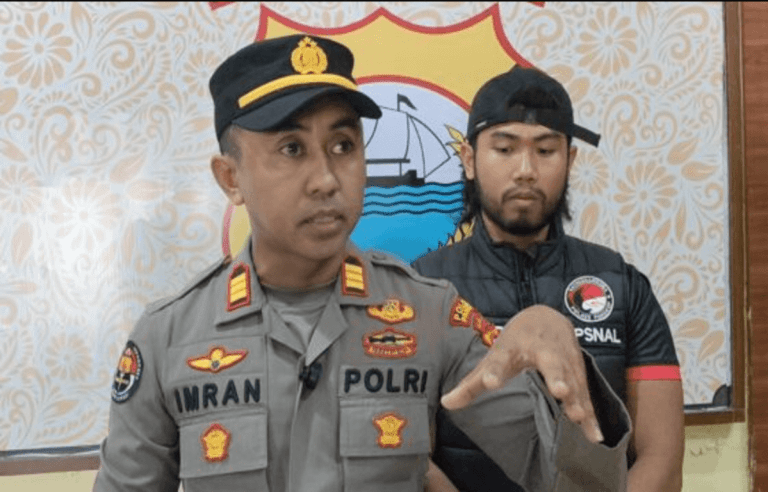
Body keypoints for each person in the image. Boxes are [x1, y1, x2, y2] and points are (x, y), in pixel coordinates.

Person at [93, 34, 631, 492]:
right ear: (230, 178)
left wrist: (563, 360)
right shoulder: (169, 338)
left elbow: (578, 480)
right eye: (292, 149)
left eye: (344, 145)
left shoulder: (429, 315)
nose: (327, 179)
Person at [413, 65, 684, 492]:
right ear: (469, 160)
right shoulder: (422, 289)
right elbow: (409, 456)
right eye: (504, 149)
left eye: (545, 150)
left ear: (570, 160)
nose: (525, 170)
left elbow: (662, 461)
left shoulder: (622, 285)